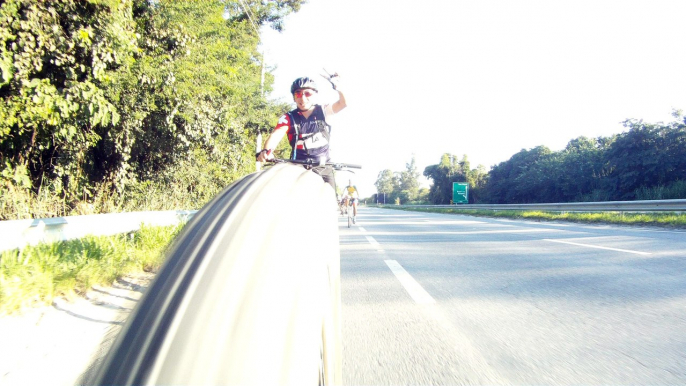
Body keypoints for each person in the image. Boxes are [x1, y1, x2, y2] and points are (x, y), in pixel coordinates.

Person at [256, 74, 347, 192]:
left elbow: (343, 104)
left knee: (332, 203)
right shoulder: (289, 117)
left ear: (315, 95)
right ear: (294, 97)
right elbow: (276, 134)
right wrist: (266, 151)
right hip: (297, 167)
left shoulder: (324, 111)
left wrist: (339, 88)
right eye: (298, 94)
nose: (302, 98)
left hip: (323, 167)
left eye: (307, 93)